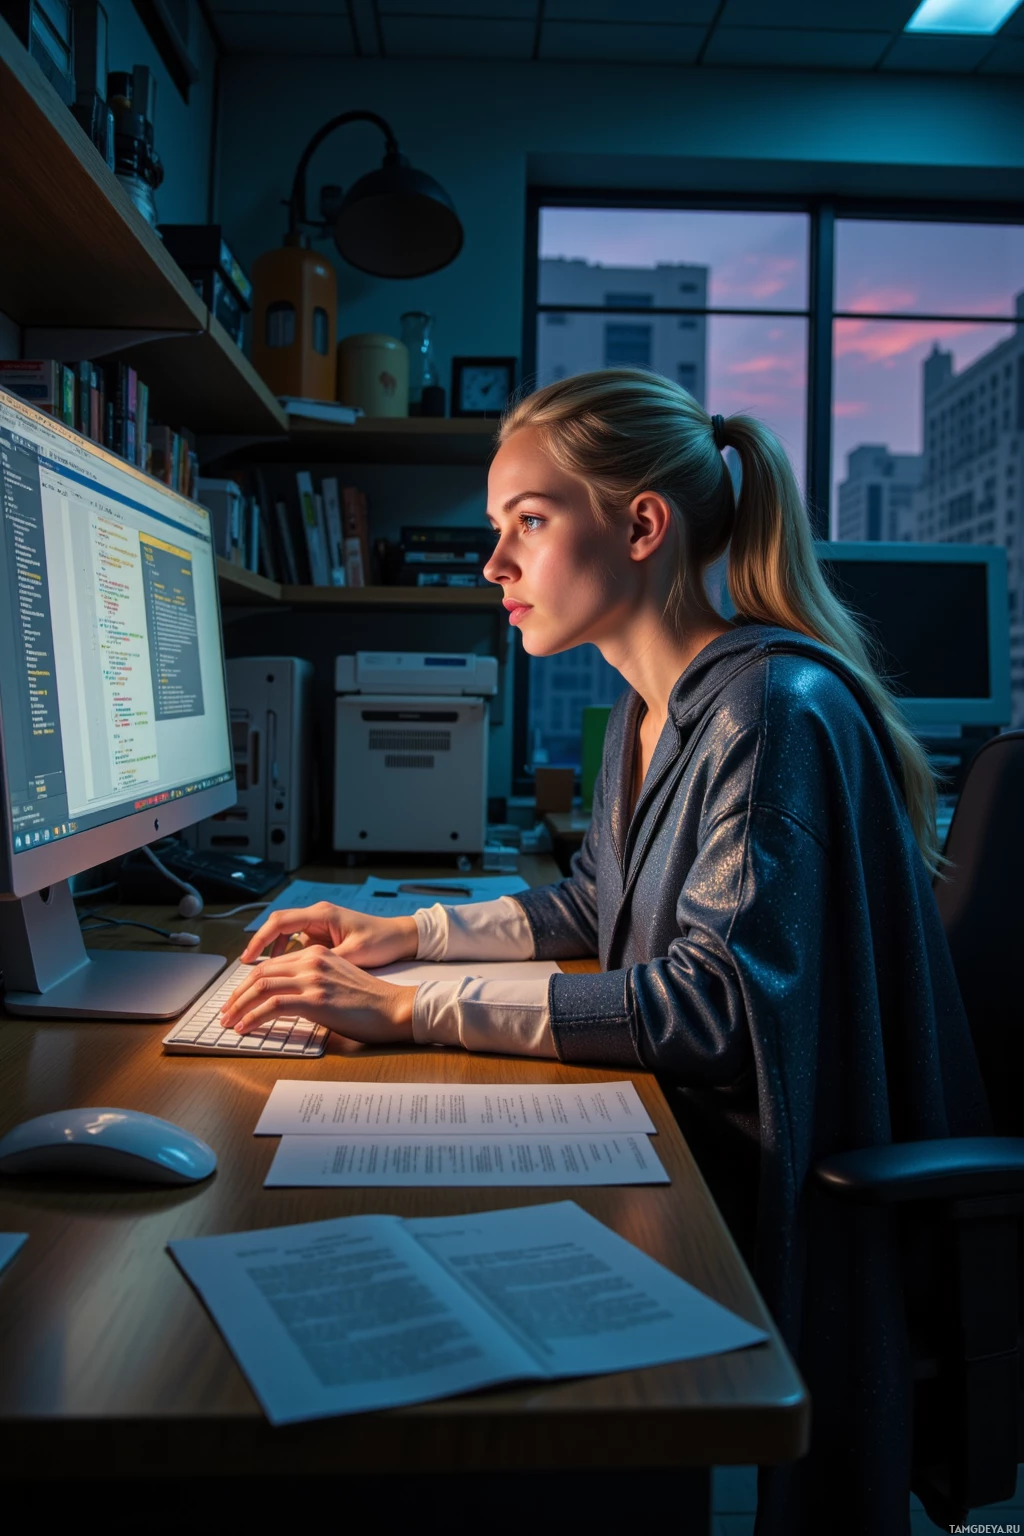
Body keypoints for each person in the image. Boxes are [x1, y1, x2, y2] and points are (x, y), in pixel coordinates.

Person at [220, 369, 989, 1536]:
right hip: (686, 1151)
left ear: (639, 526)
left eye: (526, 521)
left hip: (766, 1203)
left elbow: (714, 1008)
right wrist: (408, 937)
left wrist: (417, 1010)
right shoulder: (652, 706)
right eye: (494, 529)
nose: (493, 566)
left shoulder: (763, 709)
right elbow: (593, 903)